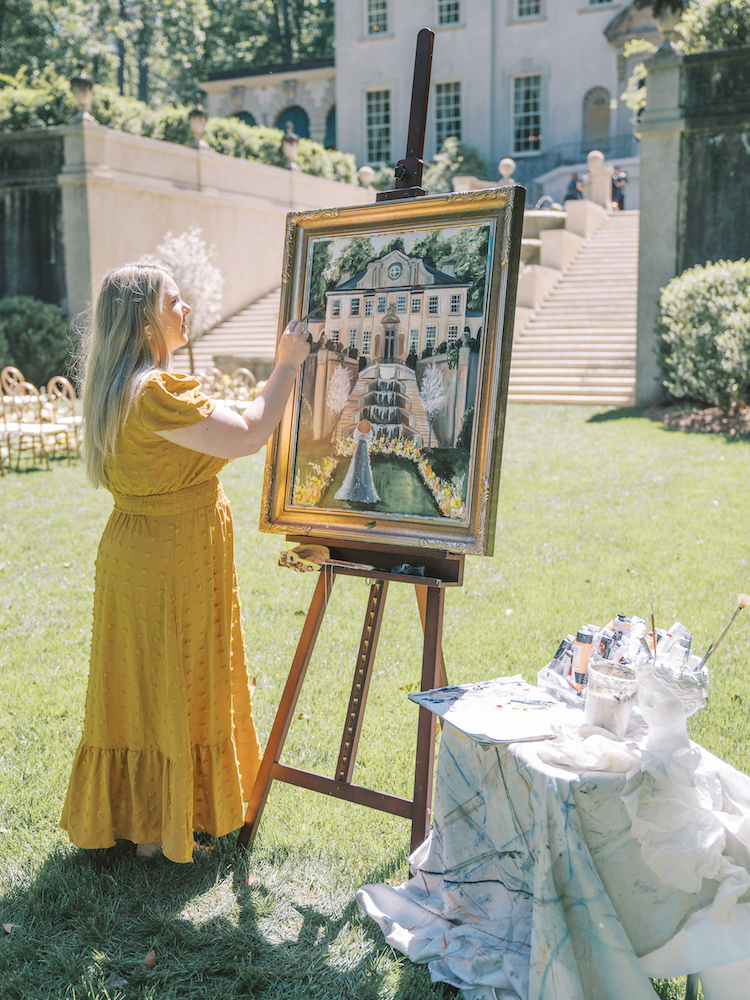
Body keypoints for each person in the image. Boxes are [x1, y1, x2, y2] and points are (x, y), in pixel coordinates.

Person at [59, 262, 309, 863]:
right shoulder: (154, 392)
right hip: (171, 555)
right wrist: (289, 364)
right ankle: (158, 826)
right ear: (148, 318)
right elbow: (250, 433)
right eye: (175, 300)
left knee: (141, 684)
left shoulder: (123, 388)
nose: (186, 309)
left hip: (137, 549)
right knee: (174, 676)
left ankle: (146, 820)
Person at [334, 418, 380, 504]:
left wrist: (361, 437)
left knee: (357, 464)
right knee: (364, 465)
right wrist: (365, 437)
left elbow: (355, 436)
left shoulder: (359, 424)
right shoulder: (369, 425)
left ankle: (354, 486)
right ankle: (363, 488)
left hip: (359, 446)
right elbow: (370, 437)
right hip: (364, 446)